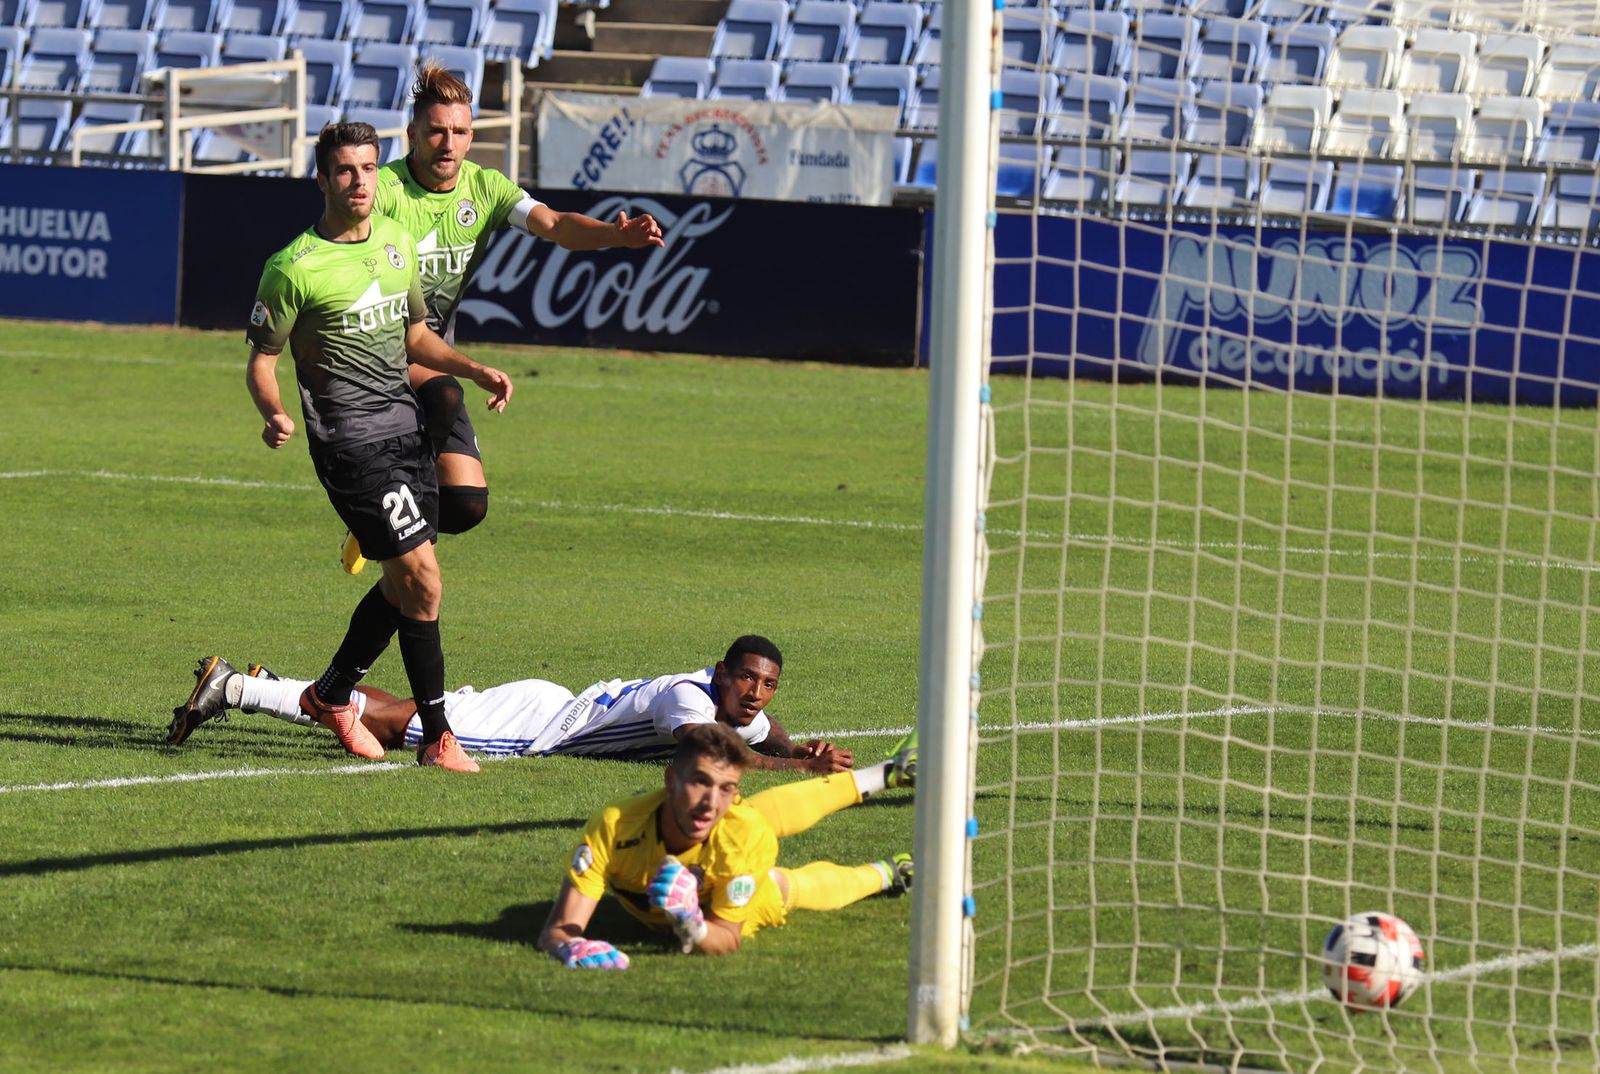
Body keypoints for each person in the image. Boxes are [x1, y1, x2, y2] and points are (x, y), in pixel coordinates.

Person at [229, 120, 513, 773]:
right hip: (350, 446)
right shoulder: (292, 267)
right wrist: (273, 413)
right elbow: (262, 362)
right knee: (424, 580)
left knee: (403, 581)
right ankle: (439, 739)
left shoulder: (393, 241)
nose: (359, 182)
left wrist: (470, 368)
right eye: (346, 171)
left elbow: (415, 335)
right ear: (323, 179)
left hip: (404, 432)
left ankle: (329, 695)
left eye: (367, 168)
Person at [337, 60, 666, 574]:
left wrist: (614, 235)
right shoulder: (386, 192)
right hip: (375, 353)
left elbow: (555, 223)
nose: (448, 143)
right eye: (437, 131)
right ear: (412, 135)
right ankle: (384, 502)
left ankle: (380, 518)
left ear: (471, 138)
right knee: (446, 392)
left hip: (432, 348)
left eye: (460, 132)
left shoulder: (486, 189)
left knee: (466, 506)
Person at [168, 635, 857, 774]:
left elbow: (761, 732)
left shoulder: (734, 704)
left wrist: (798, 747)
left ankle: (268, 683)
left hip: (551, 703)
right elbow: (717, 753)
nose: (756, 694)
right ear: (721, 672)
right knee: (393, 721)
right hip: (538, 731)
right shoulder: (688, 699)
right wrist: (797, 773)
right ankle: (235, 687)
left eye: (766, 685)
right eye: (748, 680)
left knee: (403, 710)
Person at [537, 723, 916, 968]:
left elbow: (726, 937)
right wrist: (568, 946)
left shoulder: (740, 833)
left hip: (717, 905)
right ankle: (889, 773)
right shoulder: (617, 825)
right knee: (747, 822)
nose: (712, 802)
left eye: (727, 788)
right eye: (700, 782)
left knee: (779, 886)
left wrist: (692, 925)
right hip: (698, 874)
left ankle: (888, 873)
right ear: (670, 780)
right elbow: (559, 930)